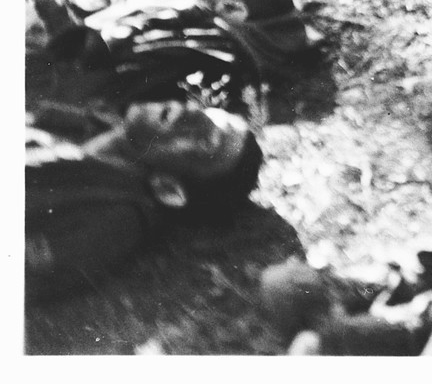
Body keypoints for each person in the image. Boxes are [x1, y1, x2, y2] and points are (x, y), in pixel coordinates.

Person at [26, 100, 263, 301]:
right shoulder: (103, 121)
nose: (189, 108)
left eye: (205, 140)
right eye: (210, 113)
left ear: (167, 187)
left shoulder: (112, 221)